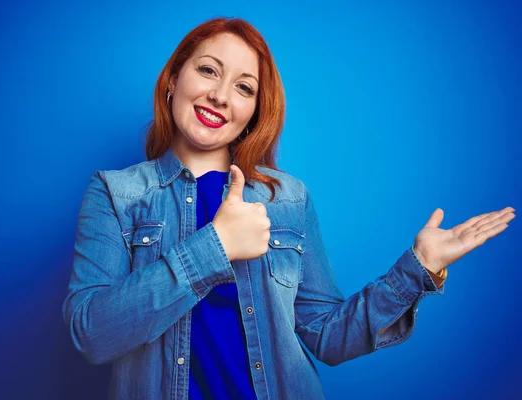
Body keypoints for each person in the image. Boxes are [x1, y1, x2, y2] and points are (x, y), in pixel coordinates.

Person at [62, 17, 515, 399]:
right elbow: (92, 334)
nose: (221, 95)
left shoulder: (288, 199)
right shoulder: (115, 194)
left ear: (254, 112)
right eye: (207, 70)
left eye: (244, 87)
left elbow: (328, 335)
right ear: (173, 80)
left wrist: (418, 269)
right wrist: (215, 246)